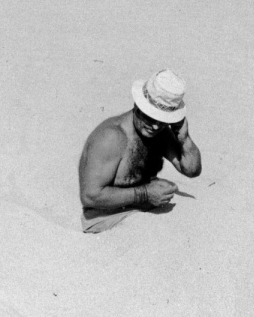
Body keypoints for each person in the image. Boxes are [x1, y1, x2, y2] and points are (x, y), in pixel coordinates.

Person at [78, 69, 202, 233]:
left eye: (163, 120)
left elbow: (191, 169)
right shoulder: (112, 137)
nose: (156, 126)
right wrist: (145, 194)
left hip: (145, 210)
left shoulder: (159, 131)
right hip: (107, 219)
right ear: (138, 105)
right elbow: (90, 197)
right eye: (151, 117)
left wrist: (184, 138)